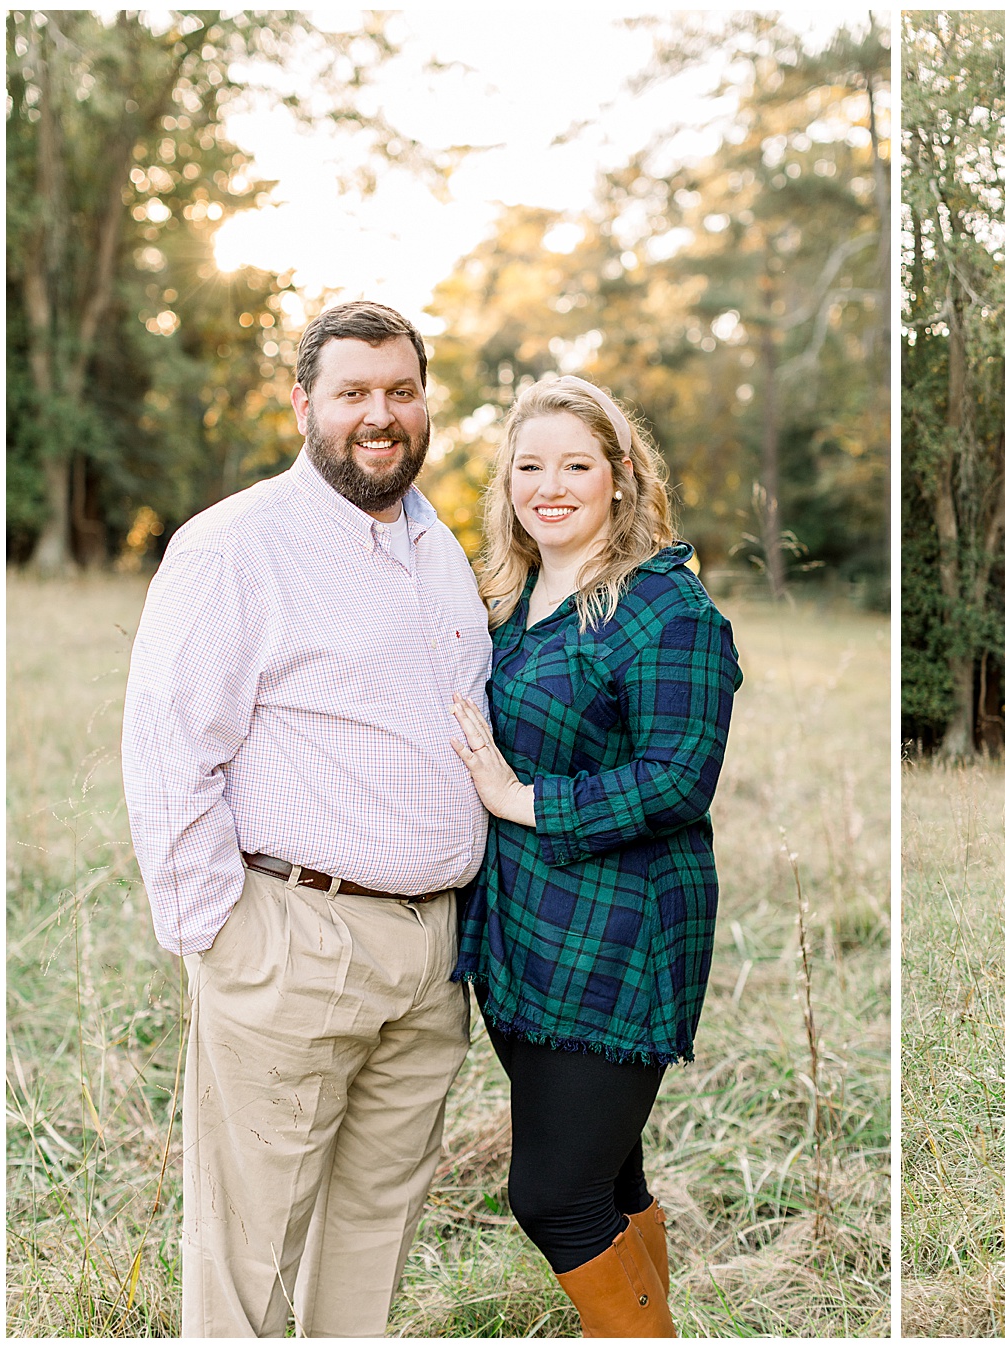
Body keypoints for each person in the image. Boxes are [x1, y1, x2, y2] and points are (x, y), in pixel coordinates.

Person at [121, 301, 491, 1336]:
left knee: (373, 1240)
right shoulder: (237, 547)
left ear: (426, 402)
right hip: (293, 941)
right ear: (303, 404)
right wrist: (223, 939)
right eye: (354, 394)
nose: (381, 415)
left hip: (430, 957)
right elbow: (168, 744)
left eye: (401, 391)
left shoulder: (439, 549)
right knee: (247, 1259)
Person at [447, 374, 742, 1336]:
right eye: (530, 466)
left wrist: (517, 797)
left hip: (619, 939)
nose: (551, 485)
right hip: (524, 932)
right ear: (507, 485)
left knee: (552, 1195)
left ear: (622, 475)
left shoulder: (666, 609)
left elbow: (677, 779)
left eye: (577, 464)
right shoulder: (511, 597)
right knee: (610, 1176)